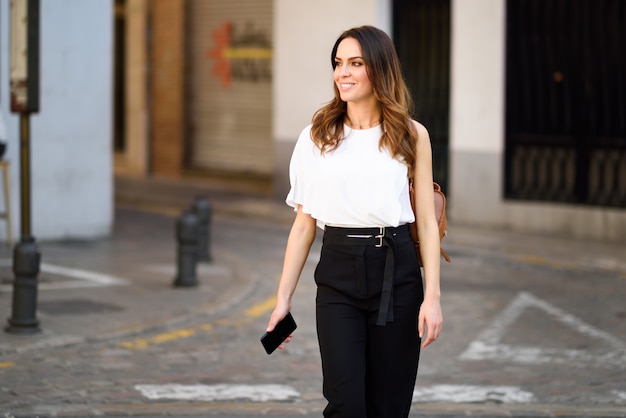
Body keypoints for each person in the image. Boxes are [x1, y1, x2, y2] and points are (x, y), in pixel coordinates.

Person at [266, 25, 442, 418]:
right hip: (338, 276)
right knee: (345, 404)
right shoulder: (316, 136)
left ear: (379, 69)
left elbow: (427, 224)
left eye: (355, 63)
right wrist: (282, 301)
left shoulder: (412, 135)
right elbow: (303, 226)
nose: (342, 73)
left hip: (397, 275)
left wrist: (432, 297)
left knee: (389, 407)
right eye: (338, 63)